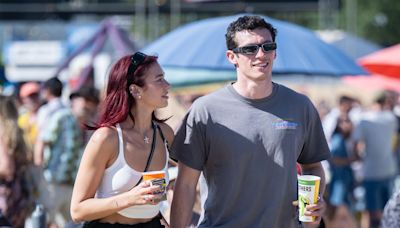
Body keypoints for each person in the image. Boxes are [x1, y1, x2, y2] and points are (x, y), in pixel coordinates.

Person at [170, 15, 331, 228]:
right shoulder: (205, 110)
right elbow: (186, 185)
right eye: (250, 49)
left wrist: (315, 201)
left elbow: (313, 167)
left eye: (267, 46)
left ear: (275, 51)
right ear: (231, 57)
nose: (261, 54)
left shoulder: (300, 106)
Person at [70, 52, 174, 227]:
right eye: (159, 79)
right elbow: (77, 211)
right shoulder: (106, 138)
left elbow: (189, 175)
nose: (167, 85)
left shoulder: (165, 134)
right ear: (135, 90)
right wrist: (130, 199)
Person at [353, 93, 398, 228]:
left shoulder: (364, 119)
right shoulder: (392, 118)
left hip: (371, 171)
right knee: (389, 212)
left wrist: (359, 157)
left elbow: (355, 145)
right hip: (389, 169)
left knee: (373, 214)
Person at [0, 95, 34, 228]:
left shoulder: (2, 133)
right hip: (20, 192)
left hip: (5, 194)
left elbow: (7, 168)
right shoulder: (17, 132)